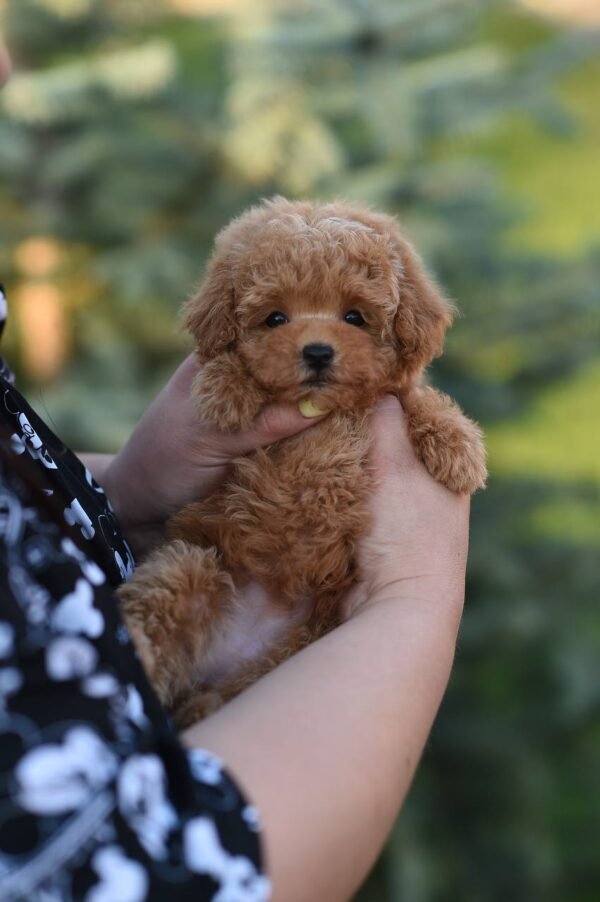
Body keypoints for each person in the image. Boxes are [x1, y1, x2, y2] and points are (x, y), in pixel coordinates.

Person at [0, 43, 470, 902]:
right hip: (221, 577)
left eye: (355, 317)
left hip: (295, 615)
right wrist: (414, 596)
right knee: (175, 601)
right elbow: (145, 872)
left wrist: (124, 489)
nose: (7, 63)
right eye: (276, 319)